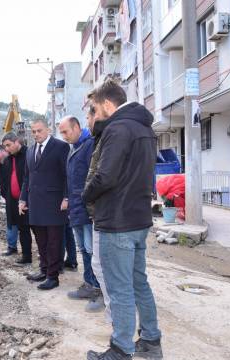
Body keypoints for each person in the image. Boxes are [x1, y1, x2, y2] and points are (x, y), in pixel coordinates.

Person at [82, 80, 162, 360]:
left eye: (95, 108)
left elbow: (106, 176)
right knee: (139, 283)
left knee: (120, 290)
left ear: (107, 104)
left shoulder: (117, 128)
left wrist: (85, 194)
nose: (95, 113)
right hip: (138, 219)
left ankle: (120, 350)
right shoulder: (144, 128)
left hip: (117, 222)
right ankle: (151, 341)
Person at [58, 115, 103, 312]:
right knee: (84, 250)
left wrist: (87, 204)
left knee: (93, 251)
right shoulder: (74, 148)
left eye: (66, 131)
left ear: (76, 127)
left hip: (86, 208)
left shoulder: (89, 146)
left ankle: (98, 290)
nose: (64, 136)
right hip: (76, 209)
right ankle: (88, 284)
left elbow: (93, 178)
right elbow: (71, 180)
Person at [19, 119, 70, 290]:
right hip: (35, 204)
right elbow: (27, 178)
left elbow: (66, 175)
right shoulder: (30, 151)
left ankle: (53, 277)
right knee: (41, 241)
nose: (36, 134)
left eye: (39, 131)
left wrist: (66, 197)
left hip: (55, 203)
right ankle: (44, 270)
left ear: (48, 129)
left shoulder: (61, 147)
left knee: (54, 242)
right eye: (33, 131)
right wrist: (22, 199)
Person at [85, 101, 114, 319]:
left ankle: (116, 315)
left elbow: (102, 177)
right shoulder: (100, 139)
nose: (88, 121)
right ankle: (114, 311)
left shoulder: (111, 137)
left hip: (108, 214)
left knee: (107, 267)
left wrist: (85, 195)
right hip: (99, 212)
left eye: (89, 116)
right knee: (101, 264)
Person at [1, 133, 33, 265]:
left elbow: (29, 178)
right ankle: (27, 257)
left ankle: (49, 261)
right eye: (5, 146)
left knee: (37, 230)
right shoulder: (9, 159)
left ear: (17, 142)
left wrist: (25, 198)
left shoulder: (28, 155)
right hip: (14, 201)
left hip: (29, 200)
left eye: (8, 145)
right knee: (22, 229)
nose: (6, 149)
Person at [0, 144, 20, 256]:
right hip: (9, 198)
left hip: (19, 197)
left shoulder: (13, 161)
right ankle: (12, 247)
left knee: (24, 224)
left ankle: (28, 251)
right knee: (11, 222)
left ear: (3, 151)